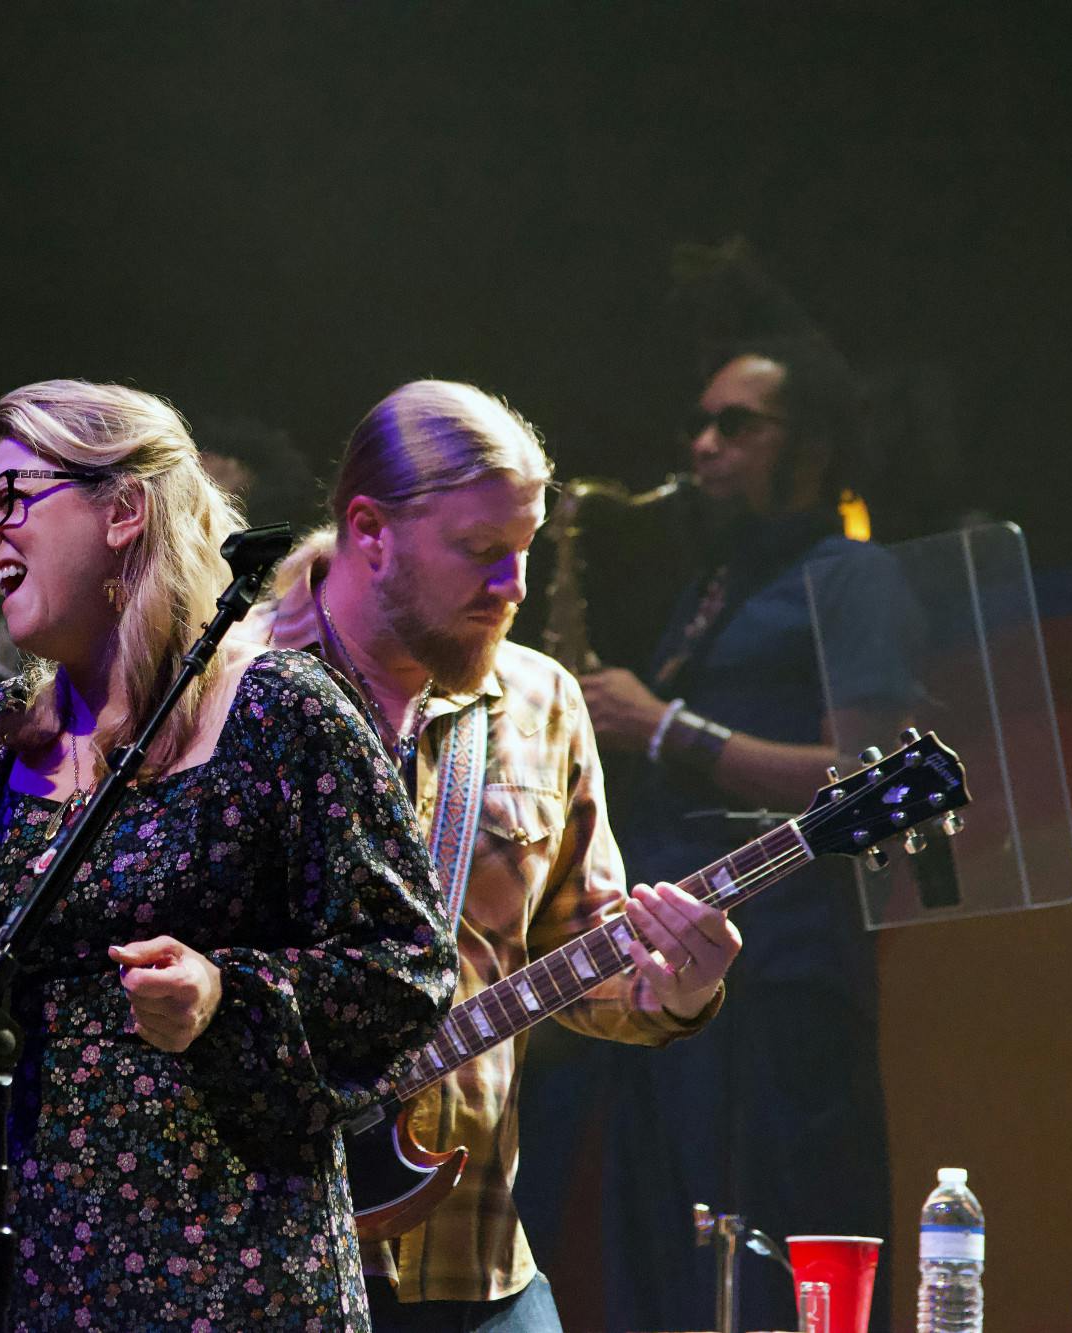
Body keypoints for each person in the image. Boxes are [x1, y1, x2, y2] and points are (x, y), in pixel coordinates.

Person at [0, 379, 457, 1331]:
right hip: (54, 1270)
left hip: (248, 1273)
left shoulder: (281, 709)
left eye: (9, 504)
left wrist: (224, 994)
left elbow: (409, 967)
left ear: (124, 509)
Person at [238, 379, 742, 1332]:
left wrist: (672, 985)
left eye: (525, 551)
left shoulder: (543, 700)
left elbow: (581, 944)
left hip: (474, 1263)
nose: (514, 586)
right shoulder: (228, 683)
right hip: (259, 1263)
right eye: (481, 553)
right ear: (370, 529)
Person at [576, 338, 910, 1332]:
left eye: (736, 425)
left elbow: (874, 779)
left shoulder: (851, 577)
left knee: (777, 1253)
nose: (703, 445)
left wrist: (663, 727)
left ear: (807, 445)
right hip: (671, 979)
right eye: (700, 422)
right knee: (666, 1257)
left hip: (782, 981)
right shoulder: (712, 585)